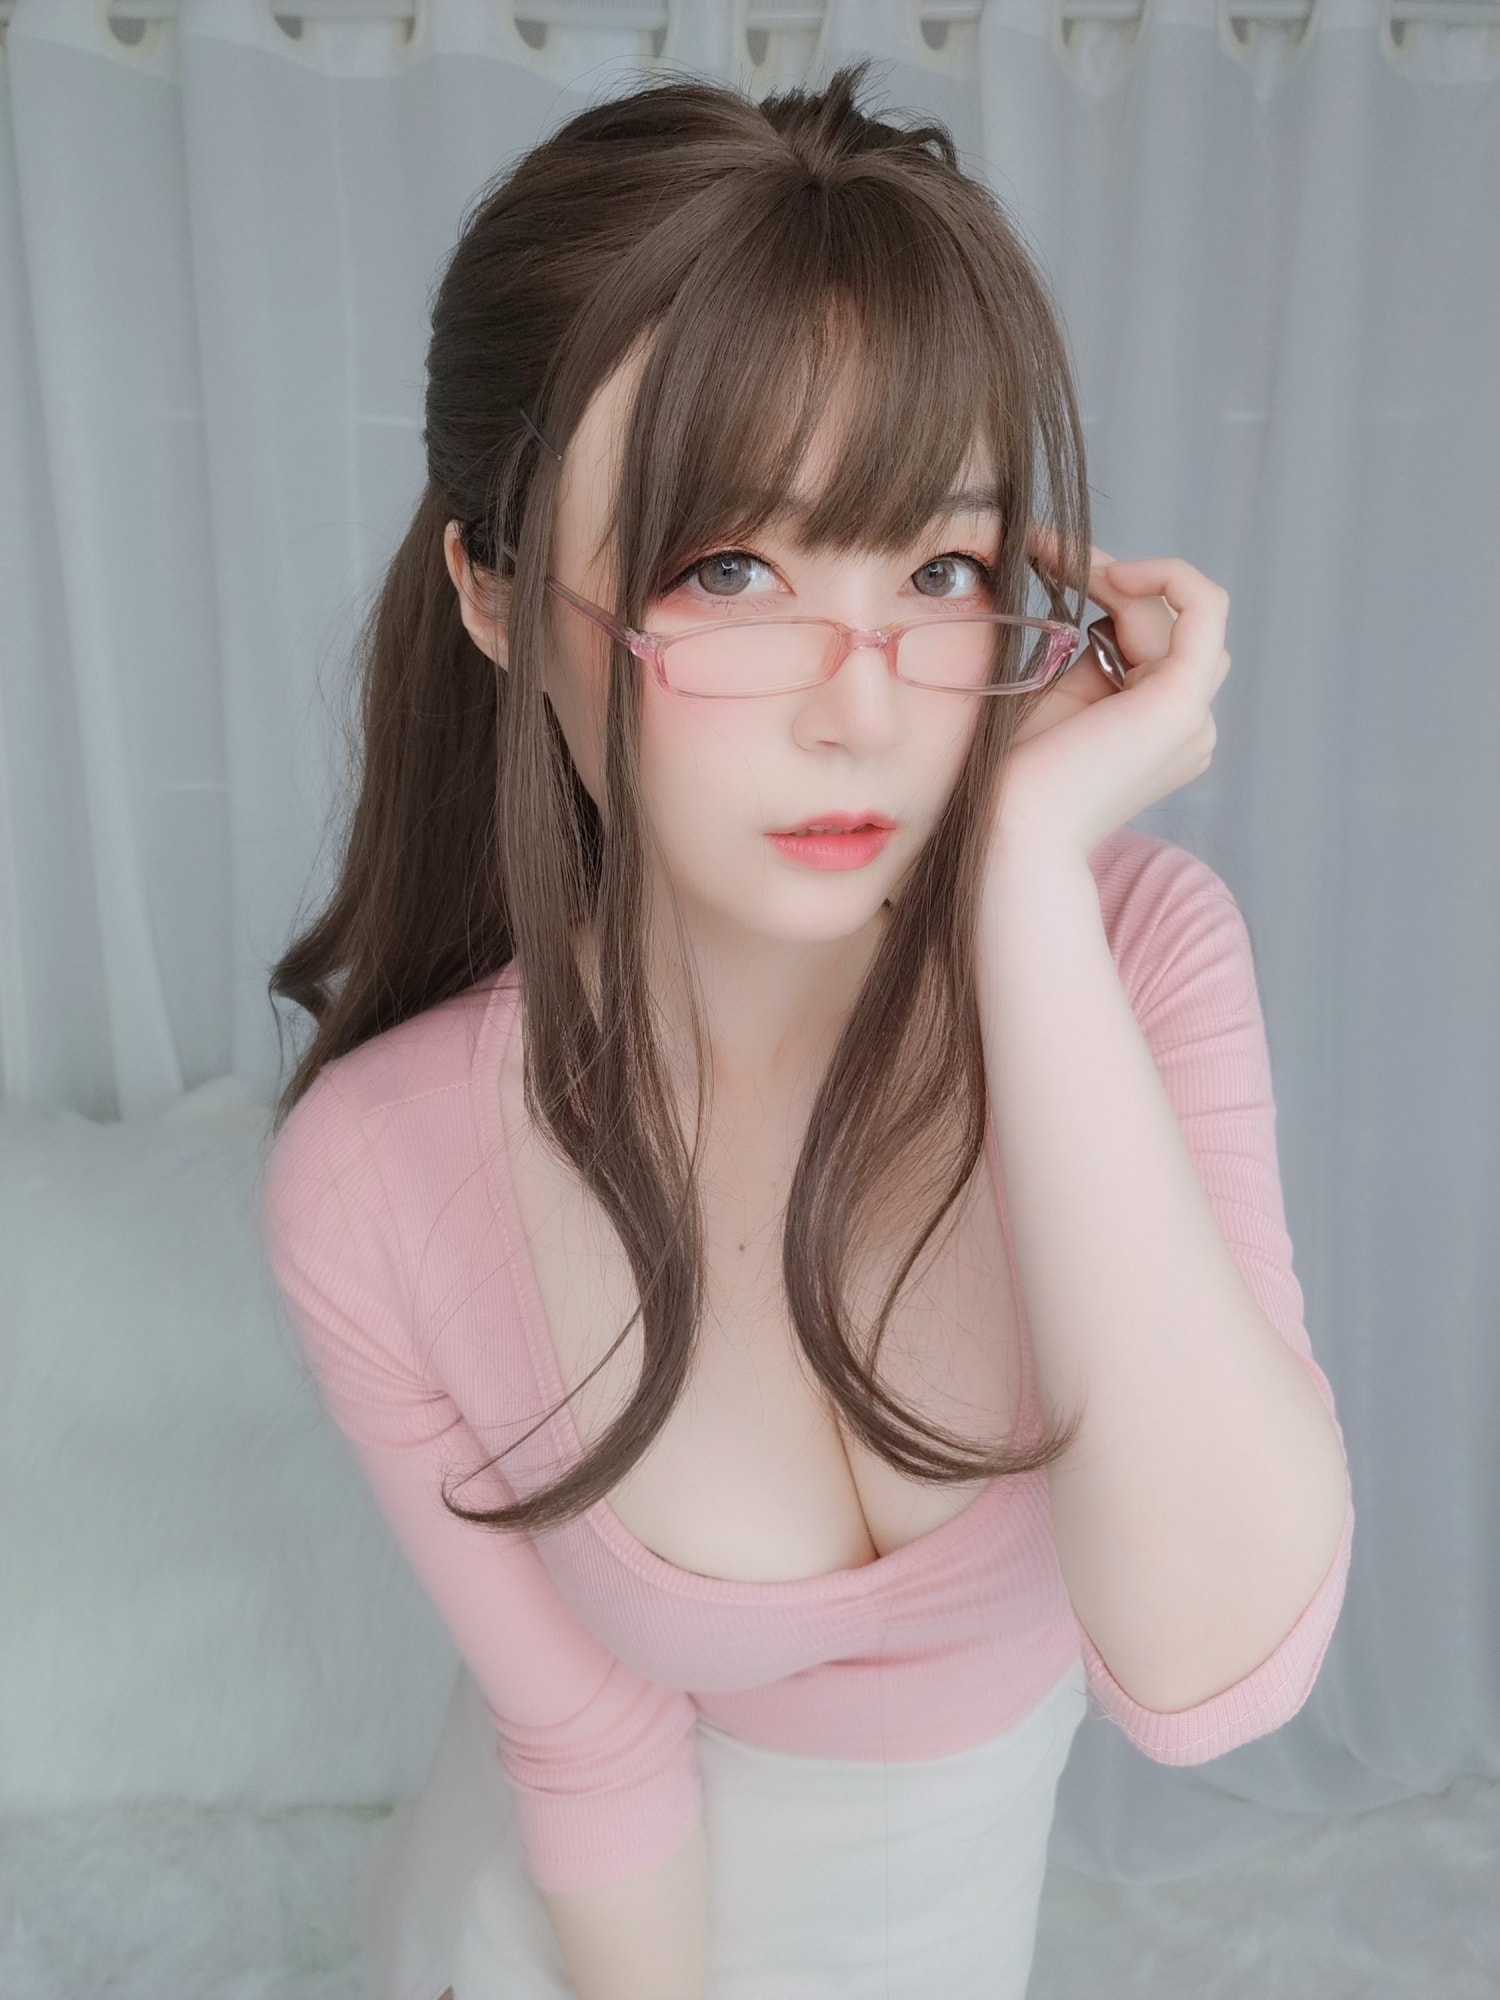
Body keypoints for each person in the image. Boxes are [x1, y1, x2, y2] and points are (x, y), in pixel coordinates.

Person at [259, 58, 1354, 2000]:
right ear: (495, 594)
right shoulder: (379, 1171)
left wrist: (1028, 881)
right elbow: (586, 1747)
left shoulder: (1131, 957)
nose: (860, 708)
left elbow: (1210, 1675)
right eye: (729, 570)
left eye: (940, 568)